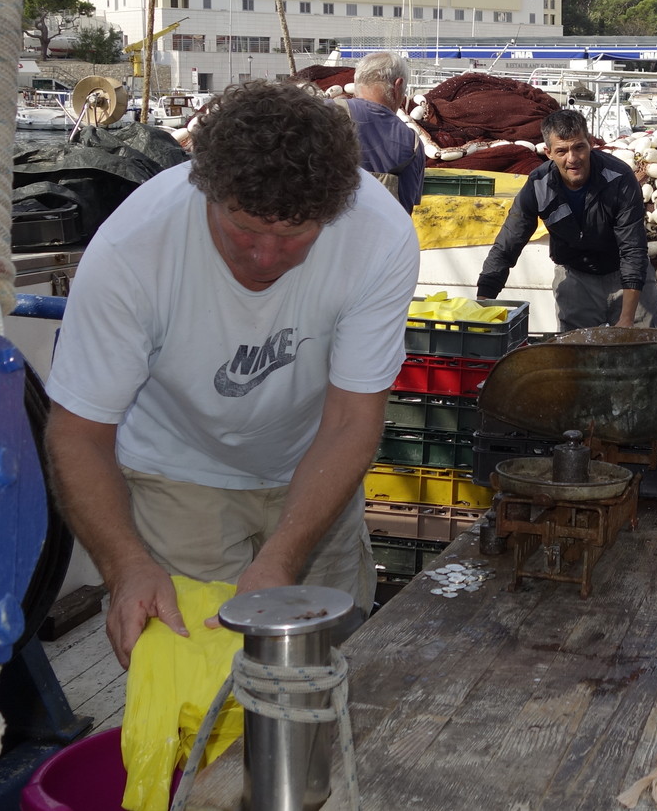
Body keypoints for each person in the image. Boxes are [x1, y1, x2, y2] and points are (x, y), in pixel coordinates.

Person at [45, 81, 419, 667]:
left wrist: (283, 556)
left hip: (317, 460)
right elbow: (78, 432)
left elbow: (352, 419)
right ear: (206, 191)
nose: (265, 256)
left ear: (333, 211)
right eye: (243, 229)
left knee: (331, 665)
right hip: (179, 470)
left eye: (293, 235)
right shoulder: (132, 248)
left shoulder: (380, 235)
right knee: (197, 670)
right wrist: (127, 567)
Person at [477, 108, 657, 330]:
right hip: (576, 277)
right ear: (548, 153)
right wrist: (483, 302)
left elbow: (633, 249)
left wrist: (627, 319)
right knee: (573, 350)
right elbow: (507, 245)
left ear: (590, 143)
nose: (572, 159)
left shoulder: (619, 178)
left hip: (626, 277)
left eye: (579, 147)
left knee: (645, 344)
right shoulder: (538, 185)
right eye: (562, 151)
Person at [347, 50, 424, 213]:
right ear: (398, 86)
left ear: (357, 82)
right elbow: (406, 208)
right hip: (378, 229)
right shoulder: (413, 143)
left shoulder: (321, 113)